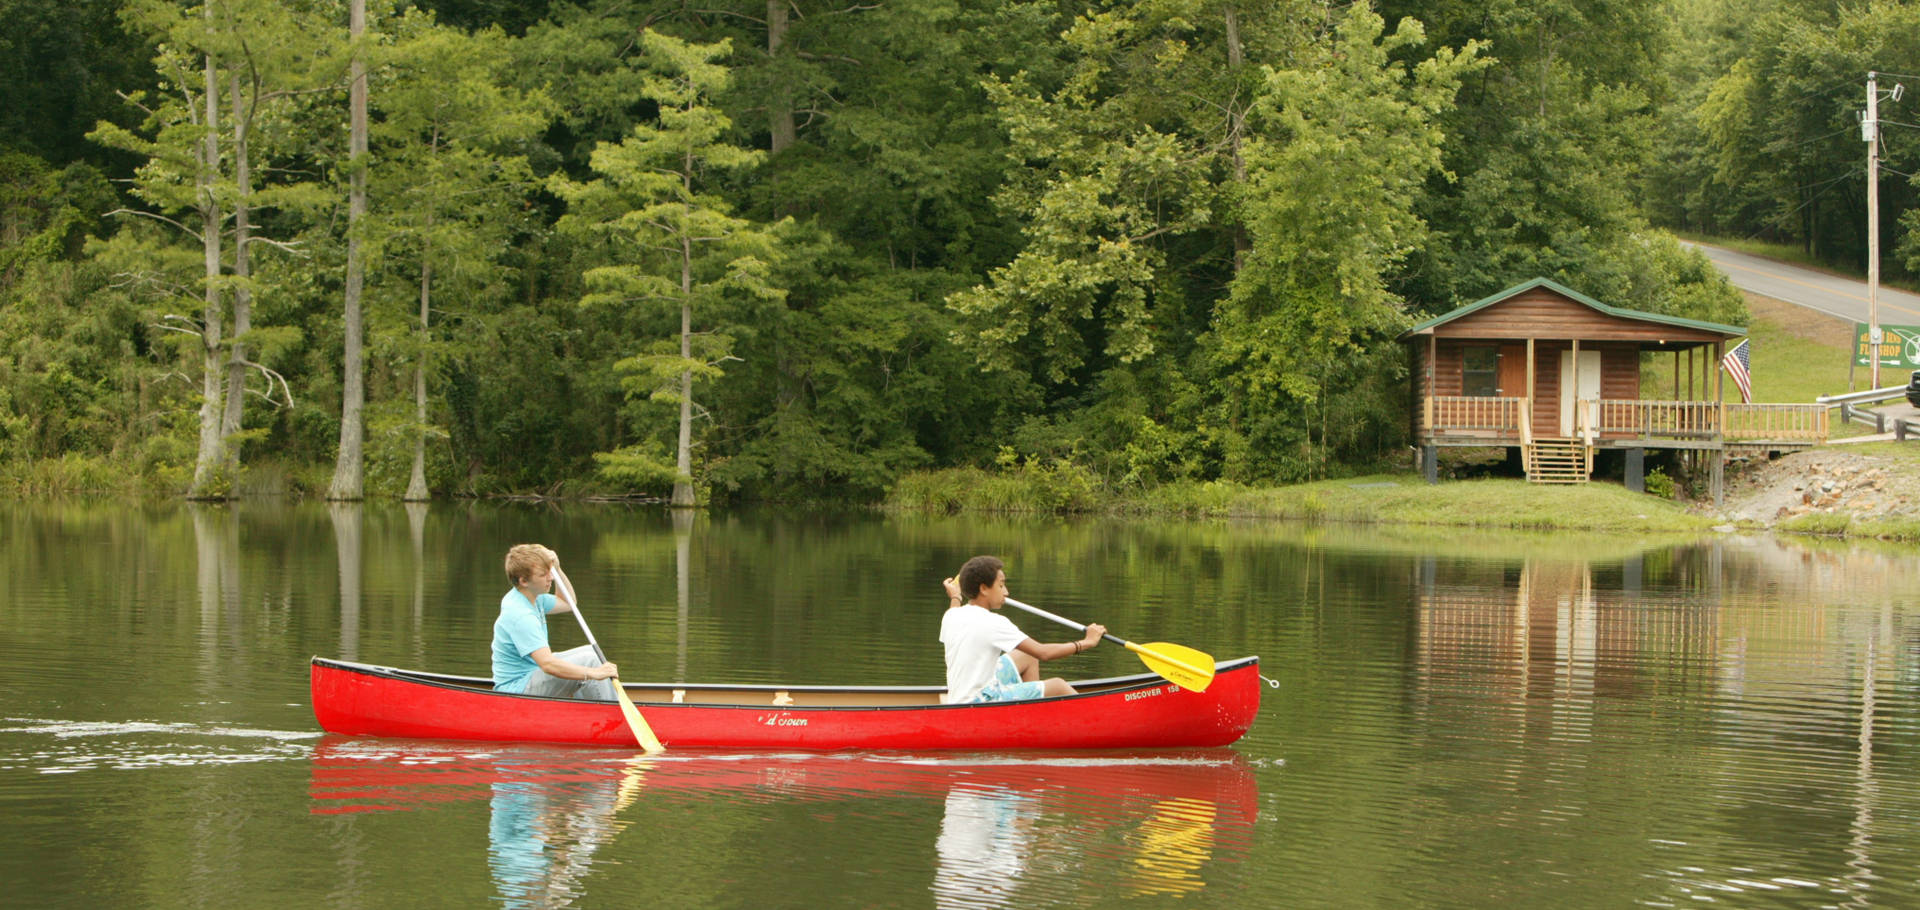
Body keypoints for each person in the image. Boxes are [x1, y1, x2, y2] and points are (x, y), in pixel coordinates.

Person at [939, 555, 1105, 704]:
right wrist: (1086, 642)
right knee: (1058, 686)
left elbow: (954, 608)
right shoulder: (994, 622)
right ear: (983, 589)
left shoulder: (951, 616)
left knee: (1027, 655)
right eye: (1001, 585)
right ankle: (1097, 720)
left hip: (960, 697)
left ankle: (1030, 715)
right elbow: (1043, 653)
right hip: (979, 701)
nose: (1006, 592)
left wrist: (955, 596)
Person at [492, 544, 619, 700]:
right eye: (543, 574)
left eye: (549, 573)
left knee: (592, 654)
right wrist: (593, 673)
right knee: (590, 662)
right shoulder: (520, 615)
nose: (550, 578)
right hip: (516, 691)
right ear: (524, 580)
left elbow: (568, 602)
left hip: (533, 674)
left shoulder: (533, 597)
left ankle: (587, 712)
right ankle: (612, 718)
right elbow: (548, 665)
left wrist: (557, 569)